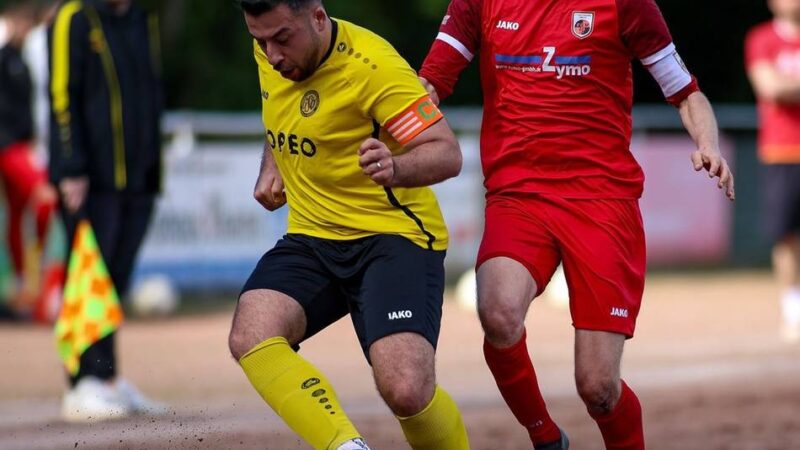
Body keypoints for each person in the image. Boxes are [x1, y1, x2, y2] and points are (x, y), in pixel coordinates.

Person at [418, 0, 735, 449]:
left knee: (598, 388)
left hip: (602, 203)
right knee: (497, 309)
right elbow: (428, 84)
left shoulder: (628, 5)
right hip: (518, 194)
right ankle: (546, 438)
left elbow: (685, 93)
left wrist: (709, 143)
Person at [227, 1, 470, 449]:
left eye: (282, 38)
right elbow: (280, 104)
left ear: (318, 18)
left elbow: (446, 152)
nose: (272, 54)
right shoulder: (271, 52)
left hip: (393, 235)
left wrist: (395, 167)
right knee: (251, 334)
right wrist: (273, 161)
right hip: (313, 234)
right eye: (259, 40)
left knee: (406, 389)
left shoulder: (373, 66)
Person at [48, 0, 166, 422]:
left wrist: (154, 167)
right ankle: (82, 383)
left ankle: (108, 378)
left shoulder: (140, 16)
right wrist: (71, 167)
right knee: (88, 276)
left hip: (137, 178)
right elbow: (62, 95)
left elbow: (150, 90)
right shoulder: (74, 17)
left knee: (114, 280)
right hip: (90, 180)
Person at [745, 0, 800, 343]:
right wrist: (782, 86)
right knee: (786, 234)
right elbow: (770, 88)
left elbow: (783, 86)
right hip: (782, 150)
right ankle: (793, 310)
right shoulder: (762, 38)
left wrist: (788, 85)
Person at [0, 0, 58, 319]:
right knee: (43, 198)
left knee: (17, 214)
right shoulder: (9, 56)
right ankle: (29, 283)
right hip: (9, 148)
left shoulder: (24, 57)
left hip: (23, 145)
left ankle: (27, 286)